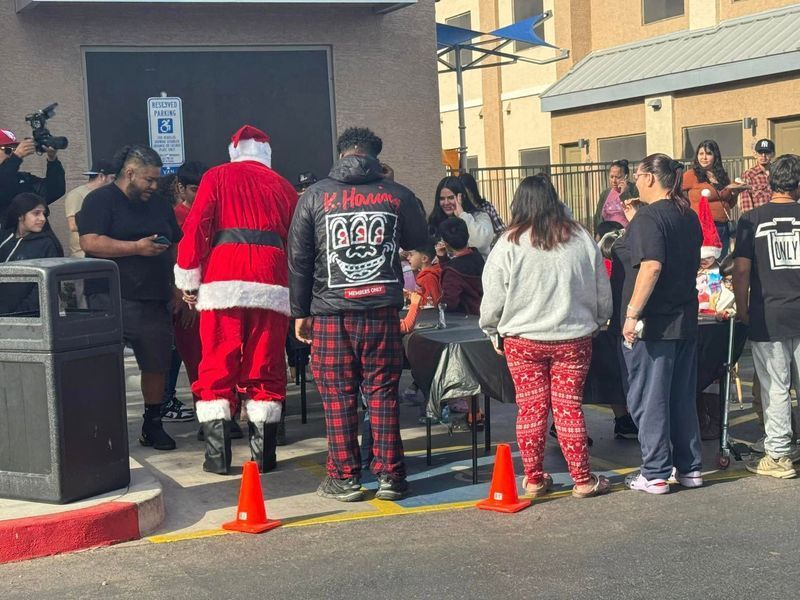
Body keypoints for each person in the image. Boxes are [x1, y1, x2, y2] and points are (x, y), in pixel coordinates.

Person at [288, 126, 427, 502]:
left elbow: (299, 259)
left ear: (341, 153)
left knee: (337, 395)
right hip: (381, 308)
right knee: (382, 391)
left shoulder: (315, 196)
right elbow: (421, 242)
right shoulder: (397, 195)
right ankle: (390, 476)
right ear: (375, 157)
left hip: (331, 311)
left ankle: (345, 478)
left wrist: (300, 312)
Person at [480, 174, 612, 499]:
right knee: (569, 408)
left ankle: (535, 479)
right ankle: (583, 479)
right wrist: (599, 321)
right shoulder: (579, 236)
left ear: (518, 203)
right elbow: (601, 288)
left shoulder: (509, 241)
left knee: (531, 408)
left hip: (522, 340)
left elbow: (493, 295)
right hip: (574, 338)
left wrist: (493, 331)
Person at [175, 125, 297, 475]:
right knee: (266, 363)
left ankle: (217, 458)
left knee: (216, 361)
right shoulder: (284, 186)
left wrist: (188, 277)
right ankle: (264, 456)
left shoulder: (216, 177)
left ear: (234, 151)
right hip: (272, 280)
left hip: (223, 278)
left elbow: (196, 227)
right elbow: (300, 243)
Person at [78, 144, 184, 452]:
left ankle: (152, 425)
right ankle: (102, 429)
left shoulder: (160, 204)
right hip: (109, 296)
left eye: (157, 180)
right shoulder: (99, 200)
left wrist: (177, 284)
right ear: (130, 172)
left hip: (154, 295)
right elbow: (91, 242)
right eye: (149, 180)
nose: (154, 185)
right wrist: (135, 248)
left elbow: (175, 244)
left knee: (157, 365)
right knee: (105, 368)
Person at [621, 154, 704, 495]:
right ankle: (690, 467)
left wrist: (631, 313)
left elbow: (651, 266)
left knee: (650, 397)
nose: (635, 181)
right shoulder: (687, 215)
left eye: (639, 175)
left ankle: (655, 471)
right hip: (685, 317)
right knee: (682, 396)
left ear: (652, 178)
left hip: (655, 324)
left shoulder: (649, 217)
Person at [733, 154, 800, 479]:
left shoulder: (751, 219)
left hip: (767, 313)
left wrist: (743, 308)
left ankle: (779, 454)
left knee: (775, 386)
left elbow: (741, 270)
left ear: (771, 182)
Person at [737, 138, 779, 451]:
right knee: (771, 380)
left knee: (773, 380)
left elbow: (741, 271)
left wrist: (742, 306)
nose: (765, 156)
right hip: (762, 245)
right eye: (761, 151)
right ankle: (772, 433)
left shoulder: (777, 175)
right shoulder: (750, 179)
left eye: (768, 151)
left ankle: (779, 445)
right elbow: (747, 210)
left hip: (774, 305)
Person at [161, 161, 208, 425]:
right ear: (180, 188)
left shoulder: (212, 215)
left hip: (214, 296)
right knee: (196, 362)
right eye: (193, 188)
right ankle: (207, 419)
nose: (199, 193)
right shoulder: (174, 217)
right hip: (188, 299)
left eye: (203, 188)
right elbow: (172, 261)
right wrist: (183, 297)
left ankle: (226, 413)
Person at [0, 193, 64, 315]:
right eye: (36, 213)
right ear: (20, 215)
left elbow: (46, 287)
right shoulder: (4, 238)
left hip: (27, 317)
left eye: (43, 214)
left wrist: (20, 312)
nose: (42, 218)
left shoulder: (47, 244)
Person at [681, 140, 745, 258]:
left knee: (721, 262)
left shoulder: (722, 176)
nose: (704, 157)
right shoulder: (691, 175)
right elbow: (676, 191)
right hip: (702, 227)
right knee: (704, 263)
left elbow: (728, 204)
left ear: (715, 156)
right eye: (701, 154)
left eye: (709, 153)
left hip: (723, 226)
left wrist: (735, 193)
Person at [0, 129, 66, 222]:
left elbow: (54, 191)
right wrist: (17, 156)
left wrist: (52, 160)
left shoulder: (22, 178)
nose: (12, 154)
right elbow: (3, 187)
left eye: (15, 149)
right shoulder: (6, 177)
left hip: (35, 235)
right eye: (7, 150)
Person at [428, 176, 493, 259]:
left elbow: (479, 243)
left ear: (462, 197)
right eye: (442, 199)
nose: (446, 203)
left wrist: (462, 215)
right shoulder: (435, 220)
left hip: (474, 270)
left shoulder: (480, 216)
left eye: (451, 198)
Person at [63, 160, 115, 258]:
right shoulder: (76, 194)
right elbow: (73, 225)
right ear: (101, 176)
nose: (114, 183)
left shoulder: (108, 196)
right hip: (82, 255)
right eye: (112, 178)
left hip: (104, 251)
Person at [436, 217, 484, 315]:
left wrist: (438, 304)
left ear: (445, 244)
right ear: (468, 235)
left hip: (467, 319)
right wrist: (443, 259)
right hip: (484, 313)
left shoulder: (452, 271)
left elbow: (449, 303)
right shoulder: (477, 256)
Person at [400, 238, 442, 334]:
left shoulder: (429, 277)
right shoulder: (423, 275)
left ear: (424, 258)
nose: (408, 258)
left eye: (411, 255)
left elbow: (436, 302)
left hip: (429, 320)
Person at [593, 160, 638, 233]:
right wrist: (596, 235)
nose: (614, 180)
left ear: (626, 177)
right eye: (611, 177)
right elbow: (597, 217)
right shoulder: (605, 194)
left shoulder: (634, 191)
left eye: (618, 177)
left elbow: (636, 215)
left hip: (626, 235)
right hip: (606, 234)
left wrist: (624, 194)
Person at [738, 139, 775, 213]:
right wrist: (751, 220)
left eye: (767, 152)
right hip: (759, 218)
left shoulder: (777, 173)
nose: (763, 156)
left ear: (773, 154)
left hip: (777, 216)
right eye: (760, 152)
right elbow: (745, 201)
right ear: (755, 154)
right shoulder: (748, 174)